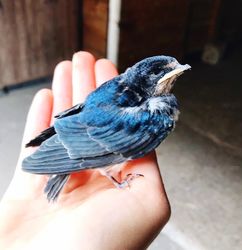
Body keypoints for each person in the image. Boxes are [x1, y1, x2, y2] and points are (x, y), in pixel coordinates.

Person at [0, 52, 170, 249]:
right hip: (82, 140)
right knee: (110, 155)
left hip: (84, 122)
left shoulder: (120, 86)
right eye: (159, 72)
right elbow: (99, 143)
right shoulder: (148, 115)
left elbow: (91, 110)